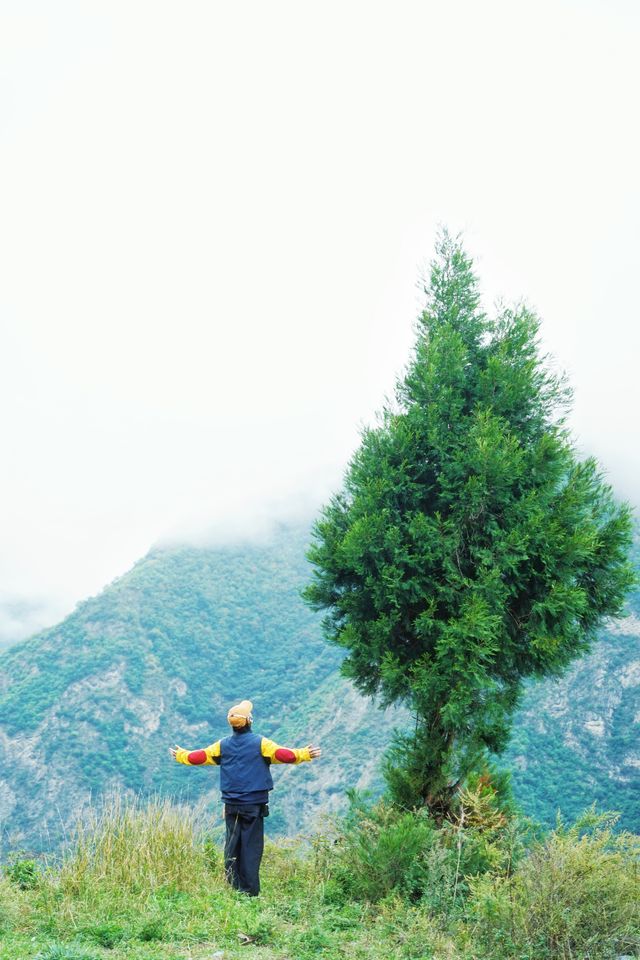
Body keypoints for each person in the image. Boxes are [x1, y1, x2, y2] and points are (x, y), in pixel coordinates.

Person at [169, 699, 321, 896]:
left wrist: (181, 755)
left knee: (232, 845)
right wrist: (305, 753)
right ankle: (249, 891)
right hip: (253, 805)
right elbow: (284, 755)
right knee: (251, 847)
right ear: (249, 721)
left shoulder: (222, 745)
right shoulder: (261, 744)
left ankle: (233, 887)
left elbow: (199, 756)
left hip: (231, 805)